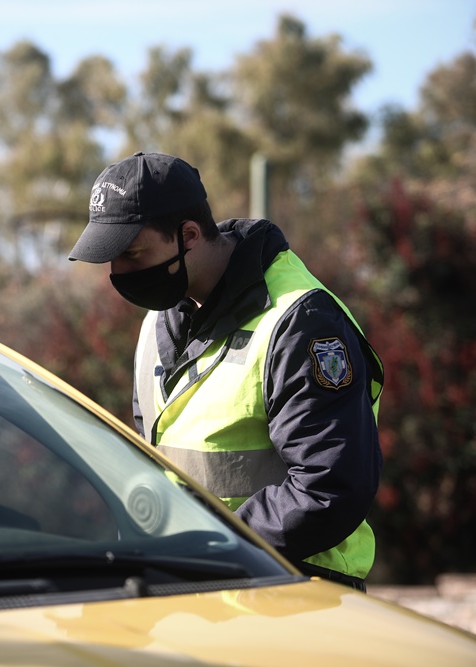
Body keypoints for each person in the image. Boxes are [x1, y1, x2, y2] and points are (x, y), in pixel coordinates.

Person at [68, 152, 383, 591]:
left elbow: (329, 489)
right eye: (110, 259)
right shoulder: (156, 323)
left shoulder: (300, 321)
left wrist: (211, 547)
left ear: (189, 235)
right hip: (194, 590)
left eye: (132, 254)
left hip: (295, 594)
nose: (118, 273)